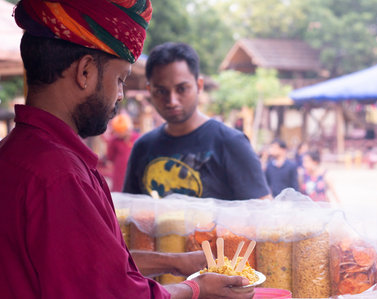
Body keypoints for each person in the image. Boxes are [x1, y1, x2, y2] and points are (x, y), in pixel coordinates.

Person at [0, 1, 253, 298]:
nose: (120, 95)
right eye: (120, 79)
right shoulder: (60, 176)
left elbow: (93, 267)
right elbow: (115, 292)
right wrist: (197, 289)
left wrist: (176, 262)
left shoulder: (13, 152)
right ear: (85, 72)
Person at [123, 42, 270, 200]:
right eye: (161, 91)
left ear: (199, 86)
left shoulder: (231, 143)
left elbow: (262, 214)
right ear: (149, 91)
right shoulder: (143, 147)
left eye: (182, 89)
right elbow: (131, 213)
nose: (172, 100)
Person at [105, 113, 139, 192]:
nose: (118, 134)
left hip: (133, 171)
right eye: (117, 132)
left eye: (121, 131)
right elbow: (110, 157)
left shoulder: (137, 138)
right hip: (120, 172)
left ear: (128, 129)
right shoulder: (114, 141)